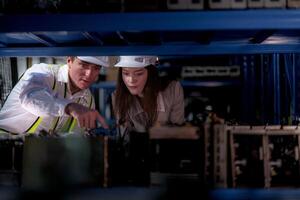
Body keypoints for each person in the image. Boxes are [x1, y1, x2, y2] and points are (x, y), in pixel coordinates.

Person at [0, 56, 109, 134]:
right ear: (69, 61)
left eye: (96, 68)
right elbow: (31, 98)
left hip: (38, 156)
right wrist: (69, 107)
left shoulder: (88, 100)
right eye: (83, 65)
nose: (89, 74)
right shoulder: (43, 73)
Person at [112, 55, 185, 135]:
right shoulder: (118, 96)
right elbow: (125, 139)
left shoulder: (173, 90)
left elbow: (178, 133)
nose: (131, 80)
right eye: (126, 73)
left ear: (150, 73)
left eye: (139, 74)